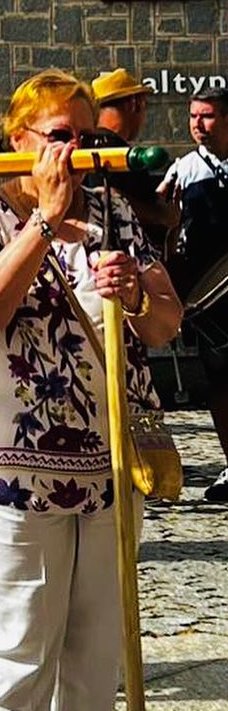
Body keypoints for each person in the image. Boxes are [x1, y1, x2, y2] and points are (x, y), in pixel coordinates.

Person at [0, 69, 181, 711]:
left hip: (109, 469)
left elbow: (167, 321)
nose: (72, 151)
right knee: (17, 653)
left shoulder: (112, 211)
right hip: (12, 476)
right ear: (17, 140)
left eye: (85, 136)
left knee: (95, 657)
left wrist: (131, 293)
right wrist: (42, 224)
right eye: (57, 135)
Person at [158, 86, 228, 502]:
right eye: (193, 117)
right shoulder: (184, 169)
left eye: (208, 116)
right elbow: (162, 222)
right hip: (210, 294)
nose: (198, 125)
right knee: (220, 381)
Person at [88, 68, 178, 236]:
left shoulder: (84, 148)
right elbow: (107, 198)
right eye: (145, 105)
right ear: (133, 104)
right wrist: (162, 214)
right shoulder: (123, 156)